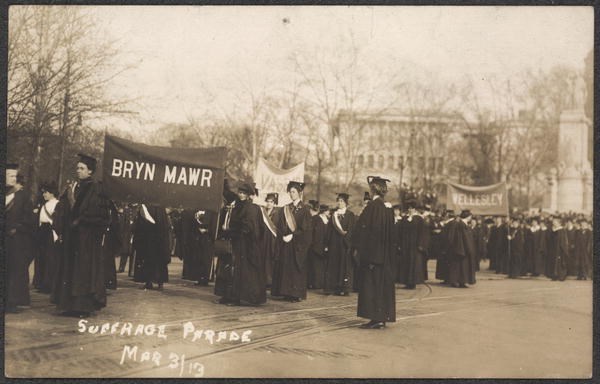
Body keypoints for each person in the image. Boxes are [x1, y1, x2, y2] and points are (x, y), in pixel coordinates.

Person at [51, 154, 110, 316]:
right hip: (71, 237)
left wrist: (81, 220)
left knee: (83, 272)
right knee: (70, 270)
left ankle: (83, 307)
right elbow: (61, 209)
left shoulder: (96, 189)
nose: (78, 171)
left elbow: (100, 215)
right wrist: (61, 225)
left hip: (87, 239)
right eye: (77, 168)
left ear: (90, 171)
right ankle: (68, 305)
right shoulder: (72, 188)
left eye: (82, 168)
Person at [352, 176, 396, 329]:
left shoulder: (372, 207)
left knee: (371, 286)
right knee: (381, 286)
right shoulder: (387, 208)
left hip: (372, 256)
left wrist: (362, 251)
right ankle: (381, 317)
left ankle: (375, 318)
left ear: (373, 190)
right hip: (384, 256)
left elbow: (366, 231)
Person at [217, 182, 266, 305]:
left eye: (244, 193)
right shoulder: (235, 206)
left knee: (238, 271)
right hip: (233, 242)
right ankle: (226, 295)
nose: (241, 195)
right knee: (227, 269)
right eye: (240, 193)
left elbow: (249, 227)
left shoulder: (251, 208)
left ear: (249, 195)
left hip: (244, 245)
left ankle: (236, 297)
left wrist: (233, 231)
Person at [272, 181, 312, 302]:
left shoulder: (305, 209)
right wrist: (283, 235)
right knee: (286, 267)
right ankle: (285, 291)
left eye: (294, 192)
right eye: (290, 192)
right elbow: (281, 224)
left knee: (295, 268)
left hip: (297, 244)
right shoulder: (286, 208)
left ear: (299, 193)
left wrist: (293, 236)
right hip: (286, 242)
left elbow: (306, 230)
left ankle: (295, 294)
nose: (291, 194)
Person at [6, 164, 35, 313]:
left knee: (14, 269)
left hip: (16, 238)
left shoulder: (23, 196)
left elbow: (29, 217)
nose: (13, 178)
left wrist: (17, 227)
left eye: (14, 176)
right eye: (10, 175)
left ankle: (12, 301)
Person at [132, 204, 171, 290]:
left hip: (149, 239)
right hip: (159, 240)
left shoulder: (146, 206)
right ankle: (160, 283)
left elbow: (140, 225)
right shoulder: (161, 208)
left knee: (148, 260)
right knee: (160, 262)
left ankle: (149, 282)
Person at [324, 193, 356, 296]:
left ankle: (344, 288)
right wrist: (327, 243)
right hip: (334, 244)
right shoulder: (334, 215)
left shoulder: (350, 215)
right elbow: (329, 230)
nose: (340, 203)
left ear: (346, 203)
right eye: (338, 201)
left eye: (342, 201)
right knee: (334, 265)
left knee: (344, 266)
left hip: (345, 244)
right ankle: (333, 287)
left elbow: (352, 230)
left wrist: (348, 241)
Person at [34, 181, 60, 293]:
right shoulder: (44, 204)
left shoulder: (56, 204)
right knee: (41, 257)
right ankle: (40, 283)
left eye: (46, 192)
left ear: (52, 193)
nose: (44, 194)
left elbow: (56, 221)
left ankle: (48, 284)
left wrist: (55, 234)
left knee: (49, 258)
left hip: (50, 231)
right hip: (43, 231)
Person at [396, 199, 428, 289]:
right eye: (409, 208)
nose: (410, 210)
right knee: (406, 263)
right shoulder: (405, 219)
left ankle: (413, 282)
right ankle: (407, 282)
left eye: (412, 208)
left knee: (414, 264)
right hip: (406, 245)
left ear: (415, 209)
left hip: (415, 246)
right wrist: (399, 244)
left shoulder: (419, 219)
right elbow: (400, 232)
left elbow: (423, 233)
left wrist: (420, 245)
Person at [179, 209, 215, 286]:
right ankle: (200, 278)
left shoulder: (211, 212)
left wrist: (207, 231)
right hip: (199, 237)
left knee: (206, 259)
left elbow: (214, 224)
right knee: (199, 258)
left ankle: (206, 278)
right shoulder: (197, 211)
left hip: (207, 238)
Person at [446, 209, 477, 288]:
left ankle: (458, 281)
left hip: (459, 249)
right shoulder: (462, 225)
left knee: (459, 267)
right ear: (468, 217)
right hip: (462, 249)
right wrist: (470, 249)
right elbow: (466, 238)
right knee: (461, 267)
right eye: (470, 216)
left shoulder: (460, 224)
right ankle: (459, 281)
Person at [260, 193, 280, 288]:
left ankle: (270, 281)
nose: (269, 204)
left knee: (271, 259)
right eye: (267, 201)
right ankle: (263, 279)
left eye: (271, 202)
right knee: (263, 258)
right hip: (263, 239)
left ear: (274, 203)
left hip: (272, 240)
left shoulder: (276, 214)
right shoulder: (263, 212)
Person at [308, 204, 329, 290]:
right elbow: (314, 233)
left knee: (321, 266)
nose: (329, 212)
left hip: (323, 246)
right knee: (315, 266)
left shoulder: (327, 220)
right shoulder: (316, 219)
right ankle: (314, 283)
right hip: (316, 246)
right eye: (327, 210)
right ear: (324, 211)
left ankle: (320, 283)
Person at [547, 216, 568, 281]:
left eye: (555, 221)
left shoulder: (562, 230)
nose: (553, 223)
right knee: (553, 262)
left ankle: (561, 276)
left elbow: (563, 241)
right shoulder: (552, 230)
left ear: (559, 223)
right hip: (553, 249)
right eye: (553, 221)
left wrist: (562, 249)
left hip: (559, 249)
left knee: (559, 262)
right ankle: (554, 275)